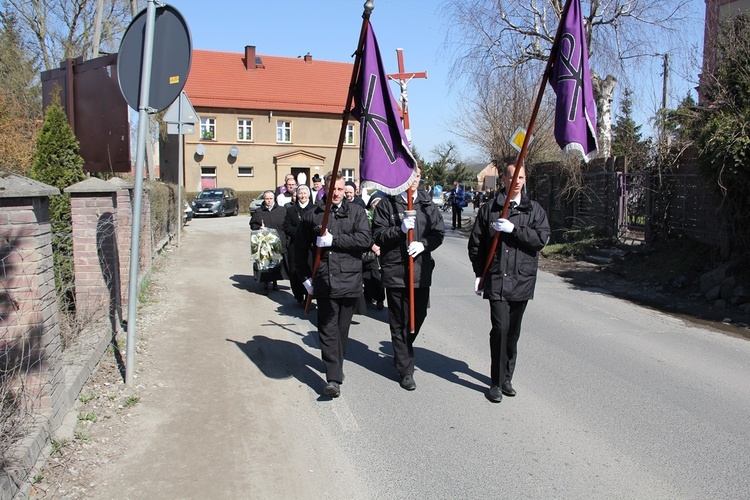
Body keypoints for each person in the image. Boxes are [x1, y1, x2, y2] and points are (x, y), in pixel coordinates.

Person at [468, 163, 550, 403]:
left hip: (522, 280)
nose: (517, 181)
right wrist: (479, 273)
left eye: (521, 177)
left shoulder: (534, 210)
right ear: (503, 179)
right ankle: (495, 382)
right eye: (512, 176)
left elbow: (540, 240)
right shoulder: (489, 210)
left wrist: (515, 229)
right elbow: (476, 244)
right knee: (500, 329)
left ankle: (506, 378)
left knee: (513, 333)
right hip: (496, 279)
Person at [295, 172, 372, 397]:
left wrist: (335, 240)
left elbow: (365, 240)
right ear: (325, 190)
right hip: (325, 281)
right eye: (332, 190)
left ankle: (335, 363)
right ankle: (333, 378)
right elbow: (299, 249)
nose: (336, 194)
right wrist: (304, 278)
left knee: (341, 330)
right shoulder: (313, 216)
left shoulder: (357, 212)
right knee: (327, 330)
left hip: (349, 280)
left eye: (340, 189)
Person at [372, 167, 445, 390]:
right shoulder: (388, 204)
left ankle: (402, 350)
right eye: (411, 176)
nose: (414, 180)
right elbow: (377, 235)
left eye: (418, 177)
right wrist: (399, 229)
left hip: (420, 271)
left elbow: (438, 233)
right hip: (395, 270)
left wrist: (423, 244)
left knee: (418, 315)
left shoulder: (426, 204)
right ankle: (405, 370)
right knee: (398, 319)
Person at [250, 190, 287, 294]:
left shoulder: (282, 210)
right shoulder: (258, 212)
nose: (269, 201)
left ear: (274, 199)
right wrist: (258, 227)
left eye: (271, 199)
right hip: (264, 242)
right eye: (267, 199)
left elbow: (286, 225)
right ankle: (265, 285)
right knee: (265, 264)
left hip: (278, 240)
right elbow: (252, 225)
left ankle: (275, 282)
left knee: (276, 262)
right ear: (264, 199)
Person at [283, 185, 315, 304]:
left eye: (305, 193)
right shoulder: (291, 210)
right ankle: (298, 294)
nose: (302, 196)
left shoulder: (314, 209)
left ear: (309, 195)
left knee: (310, 269)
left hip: (310, 246)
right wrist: (301, 233)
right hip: (295, 245)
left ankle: (309, 296)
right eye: (300, 193)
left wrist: (307, 235)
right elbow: (286, 227)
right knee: (295, 270)